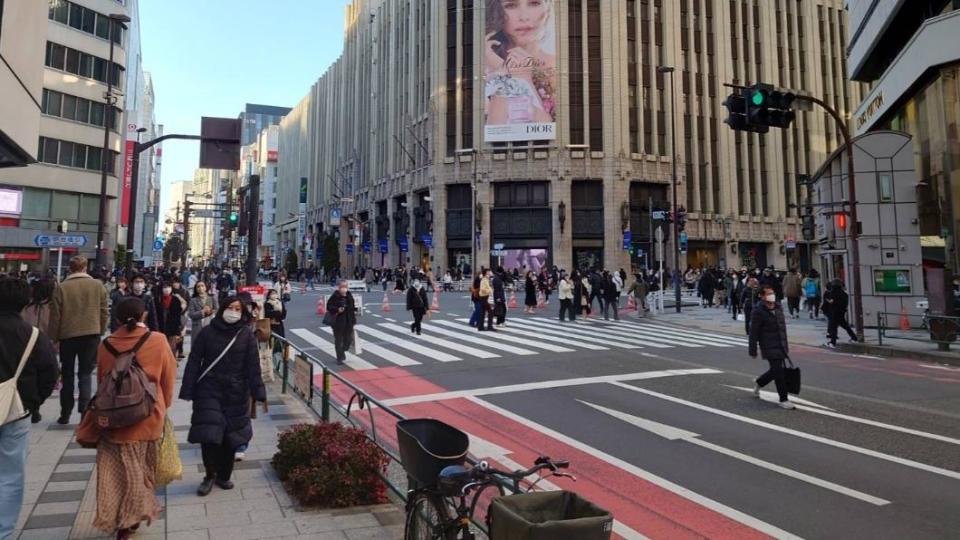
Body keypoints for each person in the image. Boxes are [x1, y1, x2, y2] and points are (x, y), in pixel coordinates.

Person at [87, 298, 176, 538]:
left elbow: (103, 383)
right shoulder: (157, 341)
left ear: (117, 319)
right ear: (144, 316)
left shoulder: (106, 344)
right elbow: (168, 379)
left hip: (113, 420)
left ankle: (119, 518)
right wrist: (162, 406)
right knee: (141, 470)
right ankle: (132, 517)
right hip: (147, 417)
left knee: (114, 474)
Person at [180, 297, 265, 496]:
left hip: (236, 390)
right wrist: (188, 389)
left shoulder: (246, 335)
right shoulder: (207, 332)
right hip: (209, 388)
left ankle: (224, 475)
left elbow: (253, 365)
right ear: (222, 309)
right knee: (209, 435)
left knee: (230, 436)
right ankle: (209, 475)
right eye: (230, 307)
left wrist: (258, 391)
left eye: (237, 309)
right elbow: (194, 361)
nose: (233, 312)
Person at [0, 278, 59, 539]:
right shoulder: (33, 335)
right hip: (16, 411)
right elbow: (50, 372)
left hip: (18, 410)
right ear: (25, 302)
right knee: (10, 475)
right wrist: (32, 403)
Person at [48, 256, 109, 425]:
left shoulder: (62, 287)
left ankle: (65, 412)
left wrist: (54, 338)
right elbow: (104, 311)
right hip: (91, 335)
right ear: (85, 268)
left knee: (66, 375)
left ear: (70, 268)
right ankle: (85, 411)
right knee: (85, 373)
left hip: (67, 336)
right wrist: (101, 330)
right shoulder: (98, 285)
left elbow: (55, 316)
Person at [483, 0, 556, 126]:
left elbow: (548, 131)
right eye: (510, 5)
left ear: (548, 8)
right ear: (495, 12)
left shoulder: (560, 66)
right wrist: (501, 71)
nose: (524, 17)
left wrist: (521, 77)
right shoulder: (481, 70)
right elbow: (495, 131)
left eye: (534, 3)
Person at [748, 285, 795, 409]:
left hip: (781, 344)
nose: (771, 295)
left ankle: (759, 382)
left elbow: (782, 328)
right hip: (768, 345)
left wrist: (785, 344)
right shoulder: (758, 311)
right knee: (779, 372)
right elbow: (753, 332)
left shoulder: (778, 307)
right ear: (761, 296)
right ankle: (783, 399)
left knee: (775, 370)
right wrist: (752, 349)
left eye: (772, 292)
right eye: (768, 293)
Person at [325, 280, 358, 364]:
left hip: (348, 322)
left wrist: (354, 317)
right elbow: (329, 306)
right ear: (339, 287)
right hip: (338, 322)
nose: (344, 289)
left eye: (345, 287)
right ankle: (339, 357)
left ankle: (343, 350)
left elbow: (352, 307)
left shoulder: (349, 295)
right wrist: (337, 309)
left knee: (348, 340)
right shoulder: (335, 296)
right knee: (338, 340)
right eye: (342, 287)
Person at [823, 279, 858, 347]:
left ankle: (832, 343)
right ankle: (854, 338)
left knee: (833, 327)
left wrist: (827, 302)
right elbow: (845, 304)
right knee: (846, 326)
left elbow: (830, 302)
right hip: (841, 312)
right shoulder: (844, 294)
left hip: (834, 312)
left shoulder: (832, 293)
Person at [155, 282, 185, 355]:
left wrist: (178, 329)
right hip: (160, 328)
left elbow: (178, 315)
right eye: (164, 287)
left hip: (173, 329)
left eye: (168, 287)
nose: (166, 289)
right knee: (161, 350)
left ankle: (172, 363)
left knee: (171, 349)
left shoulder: (175, 299)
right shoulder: (157, 299)